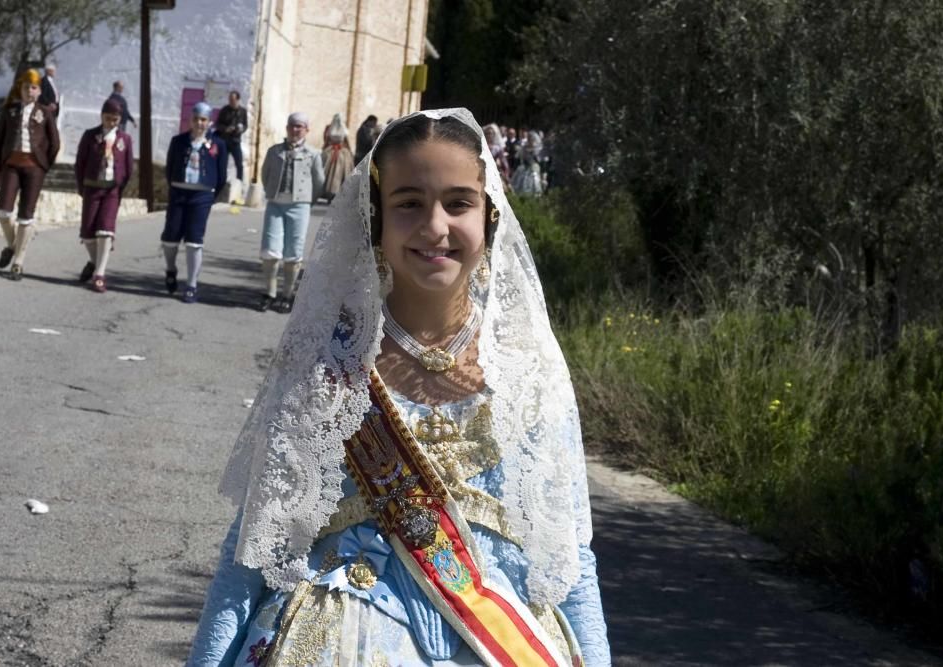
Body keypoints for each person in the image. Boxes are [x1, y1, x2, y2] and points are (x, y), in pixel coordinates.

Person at [185, 109, 610, 666]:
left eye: (458, 202)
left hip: (500, 643)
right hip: (337, 643)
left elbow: (570, 561)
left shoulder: (528, 369)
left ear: (490, 216)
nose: (435, 226)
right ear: (376, 221)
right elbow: (252, 550)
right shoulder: (328, 363)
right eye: (409, 203)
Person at [0, 68, 60, 281]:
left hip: (34, 168)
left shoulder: (45, 113)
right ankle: (12, 246)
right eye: (26, 87)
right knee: (3, 210)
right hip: (11, 165)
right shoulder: (9, 110)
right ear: (19, 89)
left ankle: (18, 262)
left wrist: (44, 165)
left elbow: (54, 142)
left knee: (25, 215)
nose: (29, 91)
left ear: (39, 91)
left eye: (34, 87)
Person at [160, 102, 227, 303]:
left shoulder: (218, 144)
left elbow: (221, 176)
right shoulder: (178, 141)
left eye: (203, 119)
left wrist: (210, 196)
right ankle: (171, 269)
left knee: (194, 241)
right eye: (196, 119)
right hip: (179, 192)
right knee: (170, 238)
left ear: (209, 122)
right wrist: (175, 186)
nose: (199, 123)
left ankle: (191, 285)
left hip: (202, 196)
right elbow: (169, 168)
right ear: (190, 120)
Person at [257, 111, 324, 313]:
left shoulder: (313, 154)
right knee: (270, 247)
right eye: (292, 126)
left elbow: (318, 181)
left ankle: (287, 294)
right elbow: (265, 174)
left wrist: (306, 202)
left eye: (300, 126)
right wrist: (272, 192)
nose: (295, 130)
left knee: (294, 250)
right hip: (276, 203)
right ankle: (269, 292)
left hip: (299, 205)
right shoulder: (274, 151)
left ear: (306, 130)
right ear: (287, 128)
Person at [73, 98, 134, 293]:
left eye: (115, 119)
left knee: (105, 231)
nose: (111, 123)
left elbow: (129, 168)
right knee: (88, 234)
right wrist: (82, 187)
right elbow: (79, 163)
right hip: (92, 187)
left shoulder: (125, 139)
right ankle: (93, 261)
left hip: (111, 190)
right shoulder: (90, 136)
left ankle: (99, 274)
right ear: (102, 116)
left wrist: (119, 185)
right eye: (108, 118)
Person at [214, 90, 248, 181]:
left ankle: (239, 183)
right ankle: (222, 182)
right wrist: (226, 129)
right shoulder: (224, 110)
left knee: (239, 164)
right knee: (223, 163)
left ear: (237, 100)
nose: (230, 101)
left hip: (235, 141)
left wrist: (241, 129)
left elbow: (245, 125)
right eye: (229, 99)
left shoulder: (243, 111)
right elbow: (217, 124)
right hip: (224, 141)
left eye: (232, 100)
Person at [321, 113, 354, 202]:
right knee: (340, 172)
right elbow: (346, 141)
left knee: (332, 172)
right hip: (340, 152)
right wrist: (350, 152)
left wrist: (324, 149)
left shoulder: (330, 129)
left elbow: (326, 140)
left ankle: (332, 192)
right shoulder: (343, 129)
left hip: (332, 151)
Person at [511, 130, 544, 196]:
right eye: (529, 138)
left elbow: (540, 161)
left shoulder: (537, 149)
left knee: (534, 178)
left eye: (531, 138)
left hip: (533, 167)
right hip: (524, 167)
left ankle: (534, 195)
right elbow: (518, 158)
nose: (530, 139)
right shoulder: (523, 148)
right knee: (521, 180)